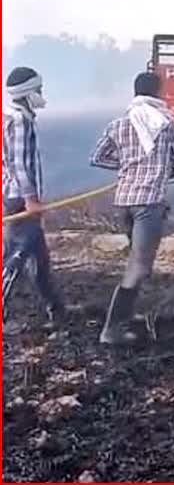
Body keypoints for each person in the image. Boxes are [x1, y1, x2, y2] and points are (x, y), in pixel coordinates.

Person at [89, 71, 174, 345]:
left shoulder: (119, 123)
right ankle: (112, 330)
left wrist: (126, 166)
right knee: (138, 268)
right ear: (158, 92)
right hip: (149, 204)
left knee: (137, 265)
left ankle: (123, 317)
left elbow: (97, 157)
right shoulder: (167, 121)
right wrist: (164, 166)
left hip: (124, 203)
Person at [2, 66, 66, 325]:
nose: (42, 94)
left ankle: (56, 309)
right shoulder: (20, 120)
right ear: (28, 92)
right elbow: (19, 162)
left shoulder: (9, 115)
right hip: (19, 199)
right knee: (15, 257)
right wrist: (31, 198)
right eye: (39, 89)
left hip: (11, 194)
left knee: (39, 258)